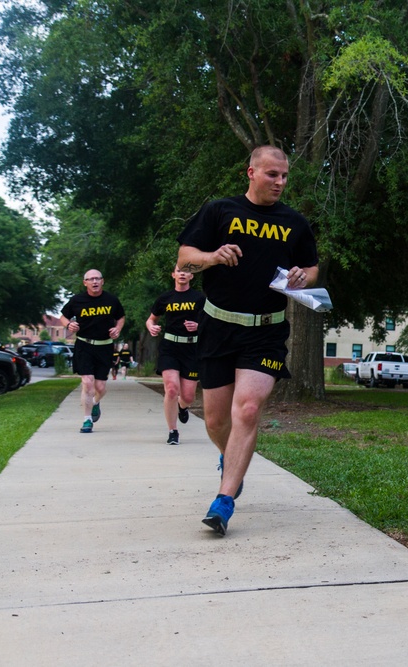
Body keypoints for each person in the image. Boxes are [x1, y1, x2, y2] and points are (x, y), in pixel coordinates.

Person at [177, 145, 319, 536]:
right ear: (251, 173)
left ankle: (223, 501)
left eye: (285, 176)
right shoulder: (220, 211)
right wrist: (211, 257)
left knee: (249, 409)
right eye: (273, 174)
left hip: (267, 330)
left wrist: (304, 277)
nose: (280, 182)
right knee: (217, 418)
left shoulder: (294, 222)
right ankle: (231, 458)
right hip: (218, 327)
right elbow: (184, 258)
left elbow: (311, 268)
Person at [59, 269, 126, 434]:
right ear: (85, 283)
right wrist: (68, 325)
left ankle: (95, 403)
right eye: (91, 279)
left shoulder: (111, 300)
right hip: (84, 345)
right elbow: (63, 316)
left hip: (105, 346)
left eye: (97, 279)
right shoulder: (77, 300)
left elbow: (121, 317)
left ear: (102, 281)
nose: (94, 282)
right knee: (87, 383)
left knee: (101, 387)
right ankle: (87, 420)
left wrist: (117, 329)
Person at [146, 266, 206, 445]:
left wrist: (198, 326)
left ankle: (182, 407)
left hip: (191, 348)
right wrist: (151, 327)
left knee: (188, 396)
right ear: (173, 274)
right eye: (179, 270)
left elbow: (210, 321)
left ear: (191, 276)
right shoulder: (165, 298)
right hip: (169, 347)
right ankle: (173, 431)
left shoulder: (200, 298)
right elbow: (151, 319)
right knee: (171, 388)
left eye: (186, 271)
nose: (182, 273)